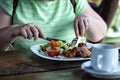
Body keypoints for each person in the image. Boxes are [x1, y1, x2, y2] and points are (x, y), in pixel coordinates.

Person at [0, 0, 107, 53]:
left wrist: (87, 19)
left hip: (67, 69)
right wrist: (13, 30)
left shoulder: (74, 1)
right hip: (22, 70)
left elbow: (100, 34)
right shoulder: (11, 1)